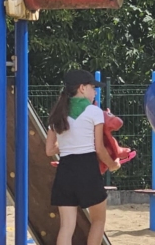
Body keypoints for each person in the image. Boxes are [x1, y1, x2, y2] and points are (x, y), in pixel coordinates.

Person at [45, 70, 120, 245]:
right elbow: (99, 148)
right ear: (82, 88)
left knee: (66, 227)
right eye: (93, 88)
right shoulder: (94, 111)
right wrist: (112, 165)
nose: (95, 92)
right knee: (98, 221)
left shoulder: (57, 114)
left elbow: (49, 150)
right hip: (87, 170)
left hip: (65, 171)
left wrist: (68, 144)